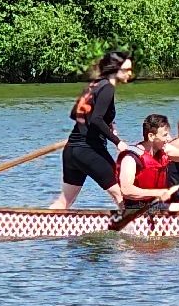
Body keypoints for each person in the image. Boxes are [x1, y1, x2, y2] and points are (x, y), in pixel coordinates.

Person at [51, 49, 133, 209]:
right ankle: (131, 231)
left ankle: (42, 226)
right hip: (89, 151)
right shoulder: (108, 88)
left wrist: (110, 126)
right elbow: (96, 119)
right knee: (122, 193)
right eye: (127, 70)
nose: (130, 73)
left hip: (72, 150)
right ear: (115, 68)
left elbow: (76, 114)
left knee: (64, 201)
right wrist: (118, 142)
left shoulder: (94, 85)